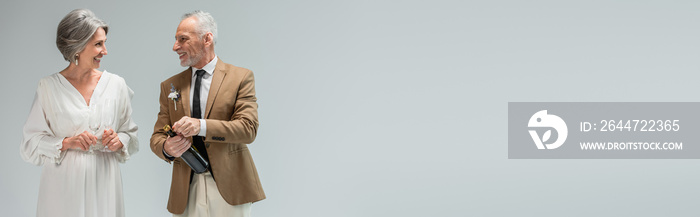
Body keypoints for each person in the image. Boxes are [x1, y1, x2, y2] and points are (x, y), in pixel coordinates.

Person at [19, 9, 139, 217]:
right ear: (77, 47)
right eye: (98, 44)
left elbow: (130, 134)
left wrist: (118, 140)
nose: (105, 51)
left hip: (105, 184)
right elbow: (30, 144)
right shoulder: (48, 88)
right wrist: (67, 142)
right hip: (63, 187)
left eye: (104, 42)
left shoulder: (116, 85)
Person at [150, 10, 265, 217]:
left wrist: (200, 126)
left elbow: (248, 129)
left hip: (230, 187)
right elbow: (157, 137)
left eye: (182, 39)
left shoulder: (241, 77)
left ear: (207, 38)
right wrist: (167, 148)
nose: (175, 47)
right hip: (185, 190)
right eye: (176, 40)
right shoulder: (170, 86)